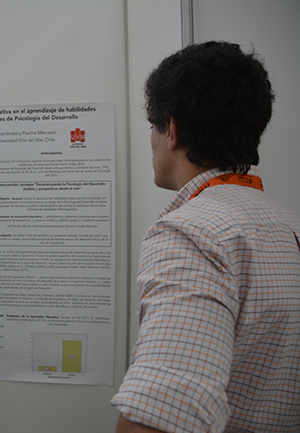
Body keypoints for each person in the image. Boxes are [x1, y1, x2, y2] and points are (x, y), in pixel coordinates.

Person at [112, 41, 300, 433]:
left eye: (152, 126)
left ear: (171, 130)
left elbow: (161, 418)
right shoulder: (289, 227)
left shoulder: (192, 233)